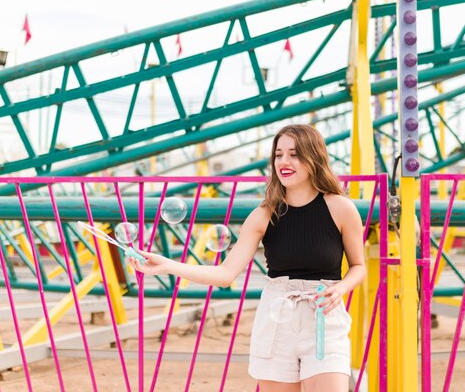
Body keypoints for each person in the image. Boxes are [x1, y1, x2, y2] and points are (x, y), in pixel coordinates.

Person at [128, 124, 366, 392]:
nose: (284, 162)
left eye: (294, 154)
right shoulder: (264, 214)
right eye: (278, 154)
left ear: (314, 157)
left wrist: (341, 287)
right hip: (277, 320)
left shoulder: (341, 208)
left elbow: (358, 266)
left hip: (324, 317)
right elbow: (225, 274)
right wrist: (168, 265)